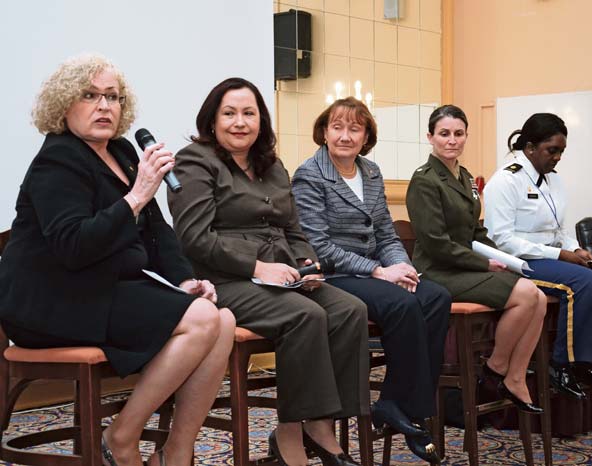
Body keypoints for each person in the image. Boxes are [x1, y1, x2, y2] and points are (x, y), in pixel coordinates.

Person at [0, 54, 235, 466]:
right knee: (201, 321)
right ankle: (121, 437)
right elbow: (74, 246)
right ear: (63, 104)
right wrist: (137, 195)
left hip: (103, 288)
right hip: (52, 299)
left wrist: (183, 281)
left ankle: (177, 451)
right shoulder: (58, 160)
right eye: (89, 95)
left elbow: (158, 232)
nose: (104, 106)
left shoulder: (124, 151)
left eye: (113, 97)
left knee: (223, 320)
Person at [167, 78, 369, 466]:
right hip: (222, 280)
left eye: (249, 113)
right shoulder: (193, 161)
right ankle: (290, 432)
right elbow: (194, 238)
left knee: (349, 310)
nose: (239, 122)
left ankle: (321, 424)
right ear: (212, 120)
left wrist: (307, 265)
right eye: (229, 113)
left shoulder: (272, 165)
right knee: (304, 316)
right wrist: (257, 266)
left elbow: (293, 229)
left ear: (261, 120)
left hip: (281, 273)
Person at [291, 97, 450, 465]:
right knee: (402, 303)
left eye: (354, 128)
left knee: (436, 297)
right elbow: (319, 246)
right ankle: (409, 410)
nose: (345, 136)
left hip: (377, 271)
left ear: (366, 136)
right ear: (324, 132)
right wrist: (380, 271)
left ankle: (396, 403)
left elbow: (386, 234)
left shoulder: (372, 172)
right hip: (334, 275)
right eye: (337, 127)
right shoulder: (310, 174)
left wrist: (402, 268)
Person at [406, 105, 547, 414]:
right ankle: (496, 367)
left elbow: (477, 231)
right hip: (437, 272)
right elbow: (435, 244)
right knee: (525, 295)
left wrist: (505, 258)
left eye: (458, 133)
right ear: (430, 137)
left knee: (537, 296)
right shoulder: (425, 180)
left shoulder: (466, 177)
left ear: (466, 136)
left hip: (465, 268)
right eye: (444, 134)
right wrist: (484, 264)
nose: (452, 140)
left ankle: (515, 376)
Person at [483, 112, 592, 399]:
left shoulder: (554, 181)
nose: (557, 157)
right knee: (584, 282)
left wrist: (575, 248)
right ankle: (562, 365)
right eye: (552, 150)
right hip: (520, 262)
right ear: (529, 147)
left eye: (561, 151)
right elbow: (501, 240)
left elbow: (558, 229)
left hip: (553, 258)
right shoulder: (505, 181)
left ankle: (588, 362)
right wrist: (560, 254)